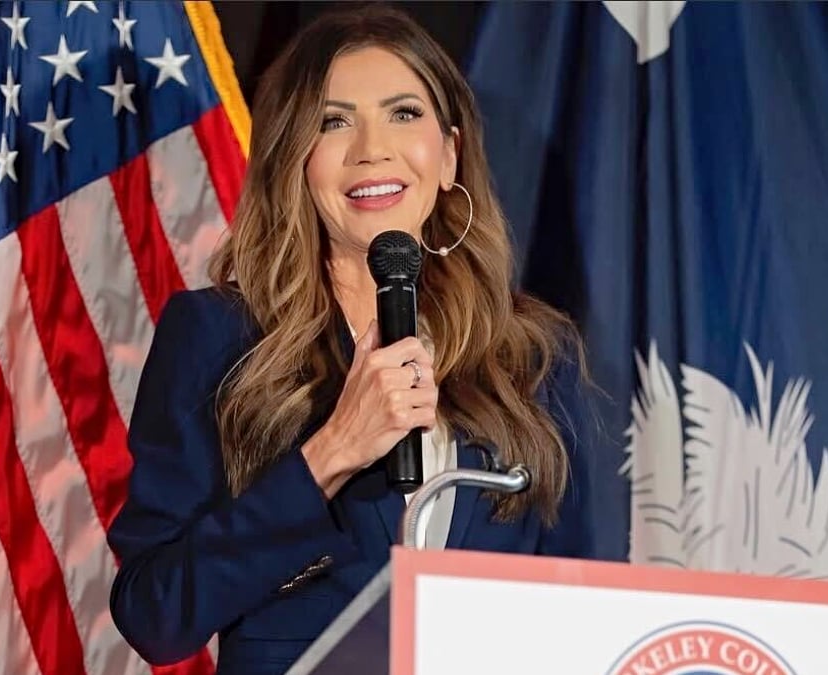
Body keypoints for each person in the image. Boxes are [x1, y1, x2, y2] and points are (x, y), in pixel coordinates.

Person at [107, 4, 601, 673]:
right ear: (296, 162)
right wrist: (332, 451)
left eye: (404, 114)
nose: (373, 148)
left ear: (449, 155)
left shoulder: (533, 356)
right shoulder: (218, 337)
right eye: (333, 121)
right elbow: (154, 613)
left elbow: (577, 608)